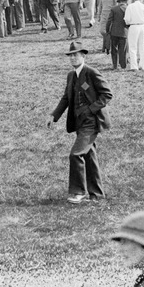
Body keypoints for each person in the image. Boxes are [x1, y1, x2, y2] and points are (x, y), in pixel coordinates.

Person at [46, 41, 112, 204]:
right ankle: (96, 194)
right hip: (79, 122)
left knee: (76, 154)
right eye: (71, 55)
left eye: (76, 55)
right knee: (89, 156)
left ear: (83, 55)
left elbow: (107, 94)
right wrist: (54, 116)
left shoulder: (91, 73)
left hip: (91, 122)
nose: (73, 58)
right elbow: (67, 98)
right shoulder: (72, 75)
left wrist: (91, 109)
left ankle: (78, 192)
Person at [105, 0, 129, 71]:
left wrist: (107, 30)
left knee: (114, 49)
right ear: (126, 1)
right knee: (123, 49)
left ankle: (115, 65)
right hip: (124, 32)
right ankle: (123, 65)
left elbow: (109, 21)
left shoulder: (114, 9)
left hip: (114, 32)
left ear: (119, 1)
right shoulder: (128, 9)